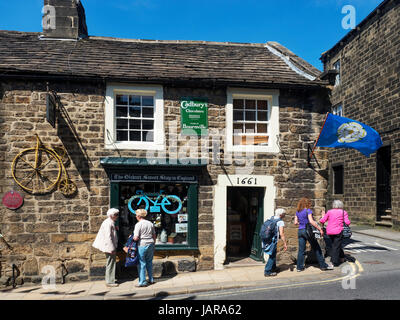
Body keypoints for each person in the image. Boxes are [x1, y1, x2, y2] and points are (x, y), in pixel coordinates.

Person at [294, 198, 333, 272]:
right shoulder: (308, 211)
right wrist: (320, 229)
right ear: (307, 203)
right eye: (309, 203)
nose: (310, 204)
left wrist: (302, 223)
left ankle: (299, 267)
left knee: (301, 250)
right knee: (317, 248)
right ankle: (323, 266)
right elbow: (311, 221)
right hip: (307, 231)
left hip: (300, 231)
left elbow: (295, 222)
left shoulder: (297, 211)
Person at [92, 208, 119, 287]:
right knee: (110, 263)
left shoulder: (110, 222)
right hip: (109, 247)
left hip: (109, 246)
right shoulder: (108, 223)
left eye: (117, 214)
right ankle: (110, 281)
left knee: (110, 262)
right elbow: (108, 237)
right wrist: (111, 248)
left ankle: (110, 280)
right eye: (116, 215)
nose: (117, 216)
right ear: (111, 215)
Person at [320, 200, 351, 267]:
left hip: (330, 232)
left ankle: (342, 257)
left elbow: (322, 220)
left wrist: (323, 215)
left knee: (336, 245)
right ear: (341, 205)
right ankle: (334, 262)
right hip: (338, 231)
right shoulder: (343, 212)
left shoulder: (329, 212)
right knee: (335, 246)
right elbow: (348, 222)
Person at [133, 209, 156, 287]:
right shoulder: (150, 223)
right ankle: (151, 279)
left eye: (136, 215)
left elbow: (136, 238)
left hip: (142, 244)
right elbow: (154, 235)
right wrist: (154, 244)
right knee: (149, 262)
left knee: (141, 263)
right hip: (151, 243)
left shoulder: (138, 224)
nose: (135, 216)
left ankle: (142, 282)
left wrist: (131, 237)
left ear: (139, 216)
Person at [264, 208, 288, 277]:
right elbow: (282, 234)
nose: (285, 215)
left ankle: (273, 268)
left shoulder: (271, 218)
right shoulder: (280, 222)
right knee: (272, 256)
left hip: (267, 239)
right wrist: (285, 243)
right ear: (281, 215)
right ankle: (267, 271)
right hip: (273, 240)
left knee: (273, 254)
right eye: (284, 214)